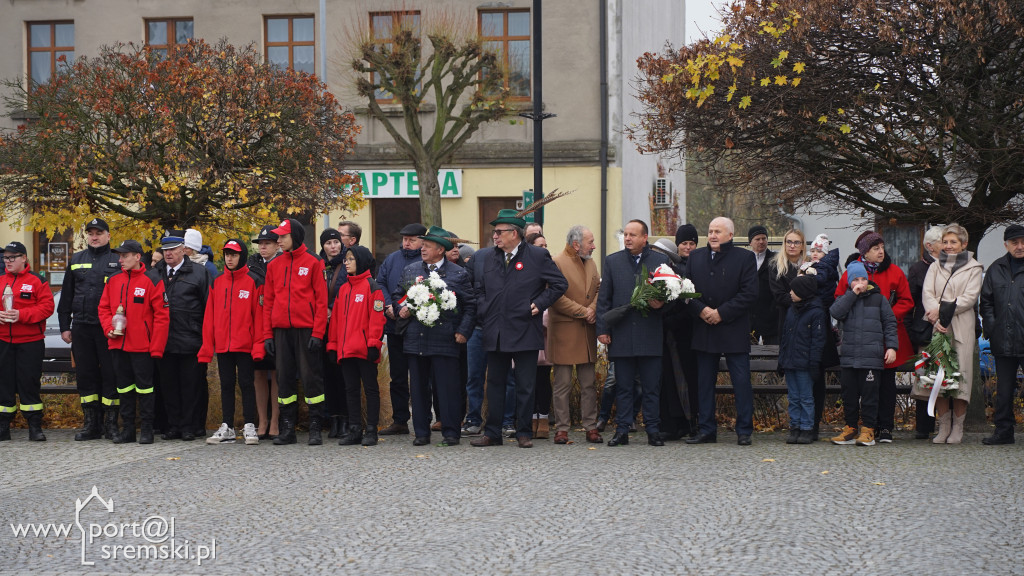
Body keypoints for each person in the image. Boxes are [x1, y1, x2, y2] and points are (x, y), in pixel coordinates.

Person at [469, 209, 567, 448]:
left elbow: (559, 284)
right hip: (496, 331)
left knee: (525, 385)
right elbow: (479, 288)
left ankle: (524, 432)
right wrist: (484, 309)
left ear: (514, 233)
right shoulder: (488, 257)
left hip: (524, 329)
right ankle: (492, 433)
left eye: (499, 232)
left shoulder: (536, 256)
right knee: (494, 384)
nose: (495, 236)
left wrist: (539, 304)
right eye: (494, 232)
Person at [396, 226, 475, 446]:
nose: (423, 249)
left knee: (448, 387)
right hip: (415, 338)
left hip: (446, 339)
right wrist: (398, 307)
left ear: (440, 250)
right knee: (419, 389)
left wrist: (463, 331)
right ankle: (421, 432)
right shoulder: (411, 271)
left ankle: (451, 431)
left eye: (427, 246)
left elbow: (470, 306)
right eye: (423, 245)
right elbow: (397, 295)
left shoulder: (458, 273)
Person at [596, 219, 670, 447]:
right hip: (622, 333)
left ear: (644, 238)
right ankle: (622, 430)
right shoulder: (612, 262)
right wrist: (602, 330)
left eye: (633, 235)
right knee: (624, 387)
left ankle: (653, 430)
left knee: (651, 387)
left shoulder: (661, 261)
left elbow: (672, 296)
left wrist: (662, 304)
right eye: (626, 234)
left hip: (650, 334)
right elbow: (604, 299)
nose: (627, 238)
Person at [835, 230, 914, 443]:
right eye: (875, 248)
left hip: (887, 337)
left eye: (882, 247)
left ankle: (885, 427)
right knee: (856, 388)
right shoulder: (851, 273)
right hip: (857, 340)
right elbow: (838, 301)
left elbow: (906, 301)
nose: (881, 252)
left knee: (886, 385)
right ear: (864, 252)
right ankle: (861, 426)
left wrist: (885, 315)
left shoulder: (895, 271)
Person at [685, 217, 758, 446]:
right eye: (710, 230)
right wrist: (702, 310)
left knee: (741, 382)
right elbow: (685, 290)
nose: (713, 235)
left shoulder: (745, 257)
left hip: (733, 328)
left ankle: (744, 430)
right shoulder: (695, 257)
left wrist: (721, 313)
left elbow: (749, 294)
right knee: (704, 383)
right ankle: (707, 429)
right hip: (704, 327)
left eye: (718, 231)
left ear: (730, 235)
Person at [262, 218, 328, 445]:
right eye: (278, 236)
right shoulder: (273, 265)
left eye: (283, 236)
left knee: (312, 380)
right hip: (281, 331)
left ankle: (315, 427)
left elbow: (321, 301)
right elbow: (268, 303)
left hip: (307, 329)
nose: (278, 240)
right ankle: (287, 428)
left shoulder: (314, 262)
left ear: (296, 237)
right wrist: (268, 335)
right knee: (284, 378)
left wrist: (318, 333)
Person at [98, 240, 169, 444]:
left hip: (142, 347)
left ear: (137, 257)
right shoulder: (113, 280)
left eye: (125, 256)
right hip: (118, 344)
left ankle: (146, 429)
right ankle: (128, 429)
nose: (120, 260)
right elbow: (103, 309)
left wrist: (156, 348)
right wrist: (108, 329)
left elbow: (162, 317)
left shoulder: (152, 280)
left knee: (145, 388)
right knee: (123, 388)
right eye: (119, 256)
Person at [57, 218, 122, 441]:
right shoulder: (76, 259)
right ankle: (91, 424)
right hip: (82, 327)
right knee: (85, 376)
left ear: (108, 235)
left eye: (99, 233)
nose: (94, 237)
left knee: (110, 375)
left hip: (107, 329)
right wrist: (65, 326)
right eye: (91, 233)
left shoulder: (117, 260)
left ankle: (111, 424)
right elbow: (66, 296)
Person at [198, 239, 265, 446]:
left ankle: (249, 425)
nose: (229, 258)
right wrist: (207, 347)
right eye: (227, 254)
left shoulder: (254, 281)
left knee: (246, 384)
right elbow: (209, 316)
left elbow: (259, 318)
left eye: (234, 254)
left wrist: (258, 345)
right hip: (223, 345)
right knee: (226, 384)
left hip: (245, 344)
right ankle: (226, 426)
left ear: (241, 256)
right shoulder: (217, 282)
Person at [922, 224, 983, 444]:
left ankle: (958, 426)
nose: (948, 246)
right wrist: (936, 317)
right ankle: (944, 425)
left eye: (953, 242)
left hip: (961, 328)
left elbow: (968, 298)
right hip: (938, 327)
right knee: (937, 378)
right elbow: (927, 294)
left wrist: (941, 310)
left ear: (964, 244)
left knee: (960, 378)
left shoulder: (974, 268)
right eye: (945, 242)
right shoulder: (934, 266)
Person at [829, 261, 898, 446]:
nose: (860, 282)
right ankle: (850, 428)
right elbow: (835, 312)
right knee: (849, 394)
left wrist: (891, 347)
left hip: (871, 358)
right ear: (849, 282)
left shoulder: (879, 299)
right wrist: (852, 294)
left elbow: (890, 324)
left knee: (870, 395)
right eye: (855, 279)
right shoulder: (845, 298)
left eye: (863, 279)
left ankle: (868, 429)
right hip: (849, 357)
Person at [153, 231, 211, 441]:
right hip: (164, 341)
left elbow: (208, 307)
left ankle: (189, 426)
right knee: (168, 386)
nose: (168, 254)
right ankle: (173, 426)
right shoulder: (155, 273)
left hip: (190, 339)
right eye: (165, 250)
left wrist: (206, 338)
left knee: (190, 386)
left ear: (182, 250)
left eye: (172, 250)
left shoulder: (198, 273)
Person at [548, 225, 602, 444]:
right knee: (562, 385)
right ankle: (562, 429)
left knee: (588, 384)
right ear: (576, 244)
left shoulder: (590, 262)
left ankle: (591, 427)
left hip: (587, 330)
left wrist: (594, 309)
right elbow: (555, 296)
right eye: (590, 242)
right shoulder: (556, 262)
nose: (594, 246)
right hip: (565, 331)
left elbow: (599, 289)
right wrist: (584, 312)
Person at [327, 245, 386, 447]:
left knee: (370, 390)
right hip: (345, 350)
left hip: (364, 350)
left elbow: (377, 319)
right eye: (346, 259)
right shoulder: (343, 289)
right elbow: (335, 320)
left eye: (351, 259)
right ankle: (354, 429)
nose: (346, 262)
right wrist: (333, 345)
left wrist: (373, 344)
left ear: (360, 261)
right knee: (350, 390)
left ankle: (371, 430)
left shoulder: (373, 287)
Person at [0, 241, 55, 441]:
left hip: (30, 342)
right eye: (6, 258)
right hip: (4, 340)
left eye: (12, 257)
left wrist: (21, 315)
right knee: (3, 383)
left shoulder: (37, 281)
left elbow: (47, 307)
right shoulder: (0, 280)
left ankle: (34, 426)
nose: (8, 261)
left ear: (24, 258)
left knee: (29, 383)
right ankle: (3, 426)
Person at [376, 223, 426, 437]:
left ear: (423, 241)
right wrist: (389, 305)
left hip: (417, 327)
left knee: (420, 376)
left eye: (412, 239)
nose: (407, 243)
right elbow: (381, 284)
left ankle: (425, 420)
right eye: (405, 239)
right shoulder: (392, 259)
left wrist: (406, 309)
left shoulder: (425, 261)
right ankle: (400, 420)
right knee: (397, 376)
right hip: (394, 324)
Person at [980, 224, 1024, 445]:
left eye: (1023, 242)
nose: (1020, 246)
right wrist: (991, 325)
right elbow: (986, 301)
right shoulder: (995, 268)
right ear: (1006, 245)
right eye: (1015, 242)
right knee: (1004, 390)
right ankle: (1004, 432)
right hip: (1003, 340)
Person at [778, 273, 827, 444]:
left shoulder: (816, 312)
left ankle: (807, 428)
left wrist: (814, 364)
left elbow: (817, 342)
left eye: (793, 289)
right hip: (791, 362)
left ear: (803, 292)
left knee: (806, 397)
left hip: (805, 364)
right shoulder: (792, 310)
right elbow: (785, 337)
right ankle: (795, 427)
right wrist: (781, 361)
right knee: (793, 398)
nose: (790, 293)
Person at [906, 225, 945, 438]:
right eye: (942, 240)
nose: (947, 244)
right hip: (924, 332)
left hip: (949, 331)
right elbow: (911, 304)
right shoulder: (917, 269)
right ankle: (924, 427)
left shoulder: (953, 267)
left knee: (948, 377)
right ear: (930, 246)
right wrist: (912, 332)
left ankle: (948, 425)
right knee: (925, 379)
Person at [249, 224, 280, 439]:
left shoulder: (283, 262)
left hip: (277, 323)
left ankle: (276, 421)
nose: (263, 247)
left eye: (267, 243)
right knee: (258, 373)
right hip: (256, 324)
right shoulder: (252, 265)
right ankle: (262, 420)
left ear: (277, 244)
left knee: (278, 373)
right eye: (260, 243)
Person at [319, 228, 349, 439]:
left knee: (343, 374)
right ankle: (333, 419)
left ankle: (346, 418)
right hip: (322, 326)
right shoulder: (317, 265)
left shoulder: (347, 264)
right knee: (326, 374)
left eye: (336, 242)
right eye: (329, 243)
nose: (333, 246)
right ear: (323, 246)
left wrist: (332, 307)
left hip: (343, 325)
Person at [525, 232, 552, 437]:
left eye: (545, 245)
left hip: (545, 332)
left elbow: (555, 295)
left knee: (543, 378)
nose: (544, 248)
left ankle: (543, 418)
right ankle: (529, 418)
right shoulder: (525, 268)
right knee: (527, 380)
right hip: (525, 330)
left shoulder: (549, 268)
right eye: (540, 245)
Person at [748, 225, 778, 344]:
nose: (761, 242)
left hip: (771, 318)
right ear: (750, 242)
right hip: (750, 318)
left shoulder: (775, 259)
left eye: (764, 238)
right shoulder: (745, 260)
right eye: (757, 239)